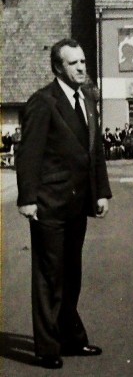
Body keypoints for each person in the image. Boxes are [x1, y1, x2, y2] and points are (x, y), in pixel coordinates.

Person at [15, 38, 111, 369]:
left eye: (84, 61)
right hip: (48, 204)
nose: (82, 67)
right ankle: (47, 348)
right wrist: (27, 198)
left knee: (72, 274)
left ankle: (70, 339)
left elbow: (93, 150)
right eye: (74, 63)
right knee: (48, 277)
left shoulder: (87, 98)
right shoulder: (43, 102)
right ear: (58, 67)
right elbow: (28, 154)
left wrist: (101, 192)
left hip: (77, 203)